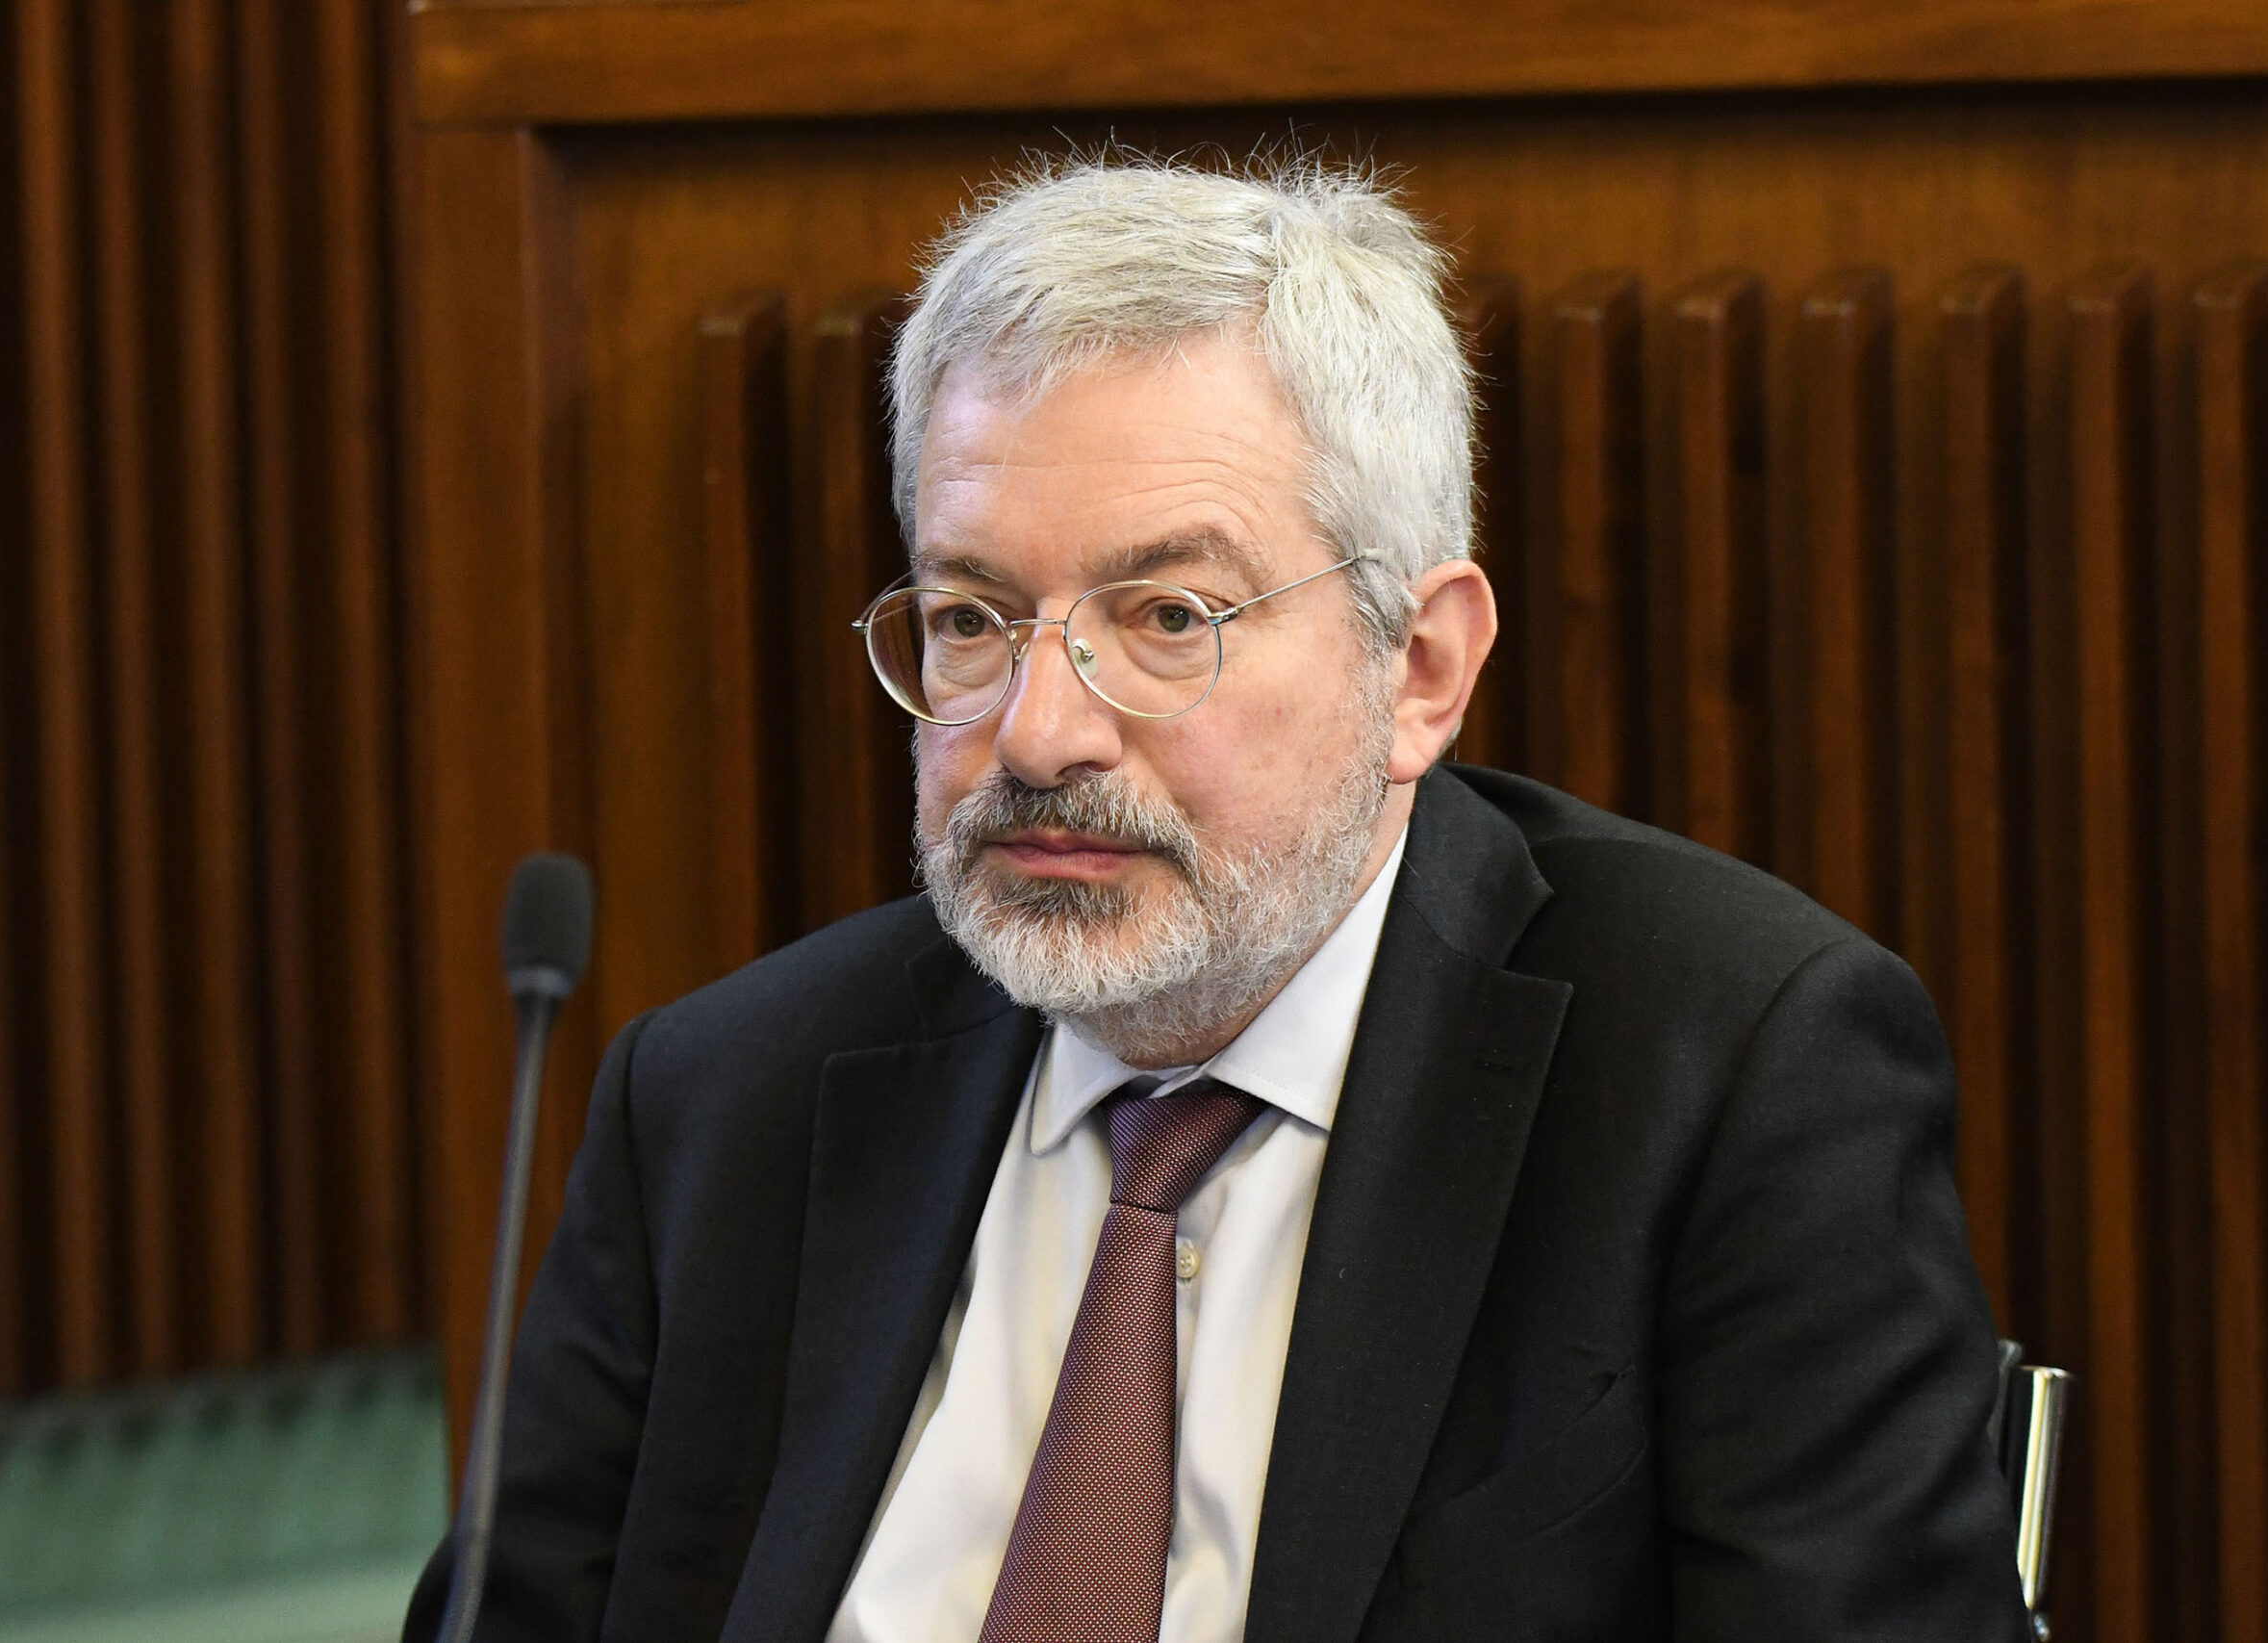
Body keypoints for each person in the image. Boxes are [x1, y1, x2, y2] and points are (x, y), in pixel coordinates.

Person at [405, 159, 2027, 1642]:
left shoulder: (1729, 1080)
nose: (1038, 733)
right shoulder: (720, 1103)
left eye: (1168, 616)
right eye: (971, 619)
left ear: (1420, 666)